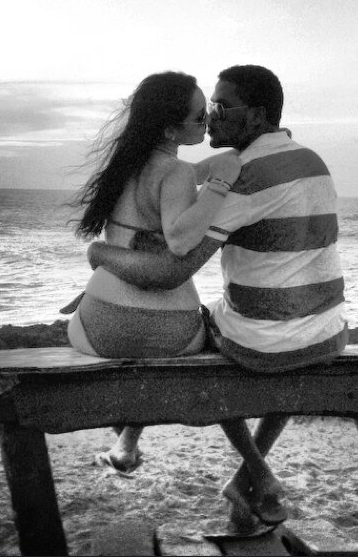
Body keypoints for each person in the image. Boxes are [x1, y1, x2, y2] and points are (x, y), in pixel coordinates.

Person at [86, 65, 349, 533]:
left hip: (263, 344)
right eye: (209, 108)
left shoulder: (244, 179)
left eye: (222, 107)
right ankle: (244, 480)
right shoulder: (312, 161)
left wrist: (101, 253)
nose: (212, 117)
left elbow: (173, 270)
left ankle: (240, 470)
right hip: (328, 334)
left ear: (257, 116)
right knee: (272, 334)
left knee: (193, 329)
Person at [65, 71, 242, 477]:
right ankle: (127, 444)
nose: (208, 121)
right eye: (199, 117)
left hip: (99, 329)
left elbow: (171, 183)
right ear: (169, 129)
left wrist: (209, 167)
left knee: (83, 326)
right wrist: (220, 183)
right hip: (173, 332)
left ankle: (126, 444)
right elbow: (180, 241)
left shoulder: (122, 168)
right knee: (208, 336)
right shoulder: (175, 174)